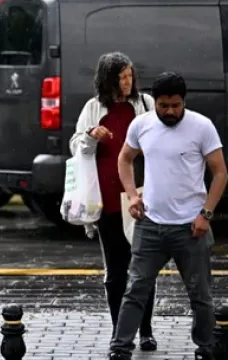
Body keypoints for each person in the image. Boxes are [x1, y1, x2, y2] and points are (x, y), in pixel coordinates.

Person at [112, 72, 227, 360]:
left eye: (176, 105)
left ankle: (205, 346)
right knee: (136, 288)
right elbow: (124, 158)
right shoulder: (142, 125)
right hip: (150, 225)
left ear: (183, 101)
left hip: (191, 226)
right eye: (164, 105)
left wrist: (206, 214)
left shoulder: (202, 127)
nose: (170, 111)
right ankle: (120, 347)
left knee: (200, 294)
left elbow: (221, 173)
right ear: (155, 103)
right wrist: (132, 195)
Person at [69, 52, 157, 350]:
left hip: (142, 194)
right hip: (107, 196)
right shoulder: (94, 108)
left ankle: (145, 329)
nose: (127, 82)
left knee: (143, 266)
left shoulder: (144, 104)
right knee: (116, 269)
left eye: (130, 75)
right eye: (121, 77)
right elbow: (76, 145)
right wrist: (92, 135)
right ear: (108, 79)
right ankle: (120, 331)